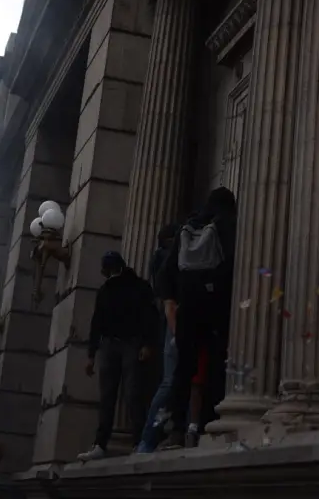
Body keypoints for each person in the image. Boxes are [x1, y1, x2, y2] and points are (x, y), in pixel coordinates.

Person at [155, 187, 237, 449]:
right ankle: (206, 426)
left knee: (183, 372)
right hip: (216, 308)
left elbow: (166, 273)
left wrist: (171, 305)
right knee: (215, 367)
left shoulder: (187, 228)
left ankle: (176, 431)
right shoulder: (228, 224)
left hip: (187, 309)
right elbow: (237, 264)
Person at [79, 250, 158, 461]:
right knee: (112, 396)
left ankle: (138, 440)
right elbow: (97, 323)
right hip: (113, 345)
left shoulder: (138, 287)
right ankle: (103, 443)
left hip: (130, 343)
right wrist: (91, 353)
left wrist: (147, 344)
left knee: (132, 395)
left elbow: (149, 317)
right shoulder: (107, 290)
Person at [136, 224, 185, 453]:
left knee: (170, 381)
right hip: (173, 323)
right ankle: (150, 437)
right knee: (170, 381)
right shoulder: (167, 259)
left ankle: (158, 434)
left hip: (170, 322)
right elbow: (168, 302)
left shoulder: (160, 258)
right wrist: (176, 334)